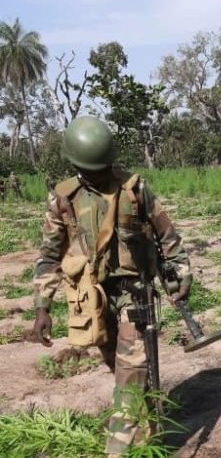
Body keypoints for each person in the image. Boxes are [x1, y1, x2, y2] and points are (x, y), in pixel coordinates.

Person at [31, 116, 191, 457]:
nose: (99, 176)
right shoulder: (63, 199)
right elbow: (48, 256)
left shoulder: (135, 189)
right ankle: (150, 439)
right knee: (118, 368)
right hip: (92, 299)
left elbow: (168, 236)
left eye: (103, 169)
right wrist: (42, 307)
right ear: (75, 164)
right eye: (91, 171)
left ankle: (116, 451)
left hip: (134, 294)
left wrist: (181, 274)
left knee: (130, 374)